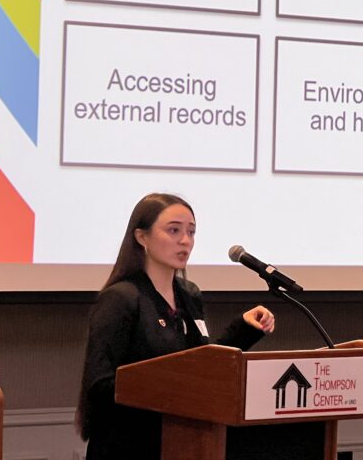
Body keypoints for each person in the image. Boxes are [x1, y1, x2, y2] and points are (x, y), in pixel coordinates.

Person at [77, 193, 275, 459]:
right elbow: (99, 385)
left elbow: (201, 367)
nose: (185, 241)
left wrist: (245, 329)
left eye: (191, 232)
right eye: (174, 231)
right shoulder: (121, 299)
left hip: (183, 441)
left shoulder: (189, 294)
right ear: (141, 237)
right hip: (128, 444)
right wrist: (164, 387)